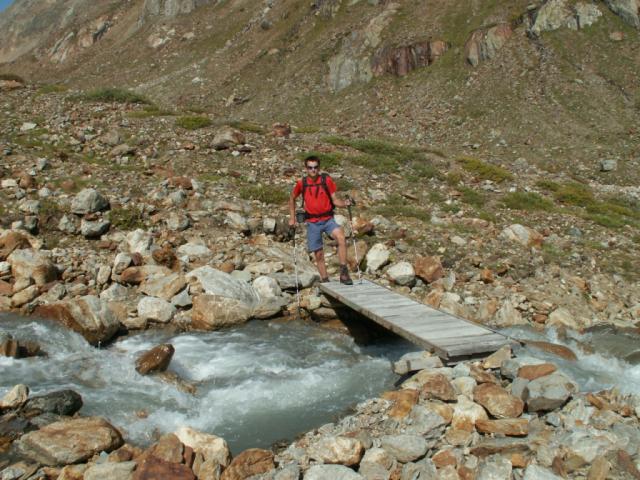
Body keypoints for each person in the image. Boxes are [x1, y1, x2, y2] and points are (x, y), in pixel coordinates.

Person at [289, 155, 353, 285]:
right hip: (312, 222)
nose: (313, 170)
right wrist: (292, 218)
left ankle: (344, 272)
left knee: (341, 237)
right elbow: (292, 198)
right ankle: (325, 281)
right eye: (310, 167)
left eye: (315, 167)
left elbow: (335, 200)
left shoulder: (326, 180)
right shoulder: (302, 183)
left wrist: (344, 203)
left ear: (319, 168)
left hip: (328, 220)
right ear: (306, 168)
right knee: (318, 254)